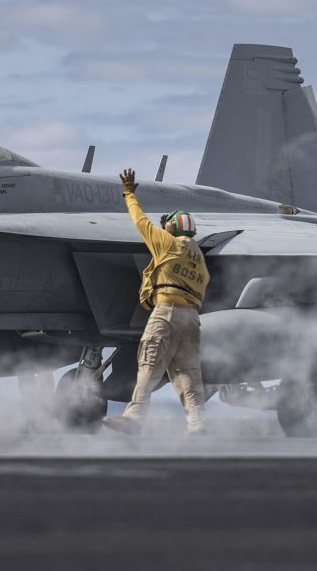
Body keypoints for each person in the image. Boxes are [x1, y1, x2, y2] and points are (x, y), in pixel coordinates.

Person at [103, 168, 211, 435]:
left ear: (173, 227)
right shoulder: (198, 257)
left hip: (167, 312)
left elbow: (140, 221)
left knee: (149, 364)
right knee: (188, 374)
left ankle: (135, 418)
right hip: (191, 317)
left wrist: (129, 193)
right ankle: (197, 424)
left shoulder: (168, 243)